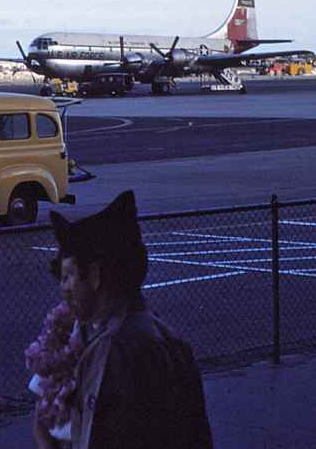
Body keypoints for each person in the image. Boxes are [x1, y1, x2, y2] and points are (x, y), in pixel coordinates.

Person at [34, 190, 213, 449]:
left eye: (70, 276)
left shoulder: (115, 350)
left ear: (95, 276)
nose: (64, 289)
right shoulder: (168, 340)